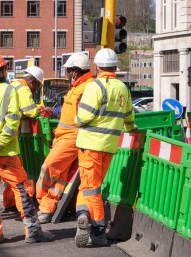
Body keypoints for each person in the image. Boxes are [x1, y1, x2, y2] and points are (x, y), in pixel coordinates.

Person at [0, 52, 55, 245]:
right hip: (5, 153)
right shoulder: (9, 91)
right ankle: (33, 231)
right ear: (1, 70)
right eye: (5, 67)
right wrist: (0, 143)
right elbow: (12, 121)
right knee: (22, 188)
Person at [73, 48, 135, 247]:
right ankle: (83, 213)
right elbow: (129, 118)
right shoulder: (123, 88)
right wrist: (133, 129)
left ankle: (98, 230)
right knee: (90, 184)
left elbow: (84, 116)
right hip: (109, 146)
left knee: (91, 189)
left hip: (89, 145)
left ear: (97, 67)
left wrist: (76, 120)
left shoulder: (94, 86)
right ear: (115, 66)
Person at [35, 52, 94, 224]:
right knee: (61, 175)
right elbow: (67, 110)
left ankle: (39, 200)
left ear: (75, 71)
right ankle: (46, 208)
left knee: (48, 168)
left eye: (68, 70)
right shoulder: (76, 86)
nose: (66, 74)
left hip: (72, 138)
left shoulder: (86, 88)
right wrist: (52, 111)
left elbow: (84, 115)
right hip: (64, 137)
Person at [0, 66, 44, 213]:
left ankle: (8, 202)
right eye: (37, 85)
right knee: (18, 173)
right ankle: (25, 207)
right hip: (11, 137)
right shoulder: (24, 90)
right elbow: (30, 111)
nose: (36, 89)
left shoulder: (13, 84)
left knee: (5, 174)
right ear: (32, 82)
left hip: (1, 134)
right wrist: (41, 110)